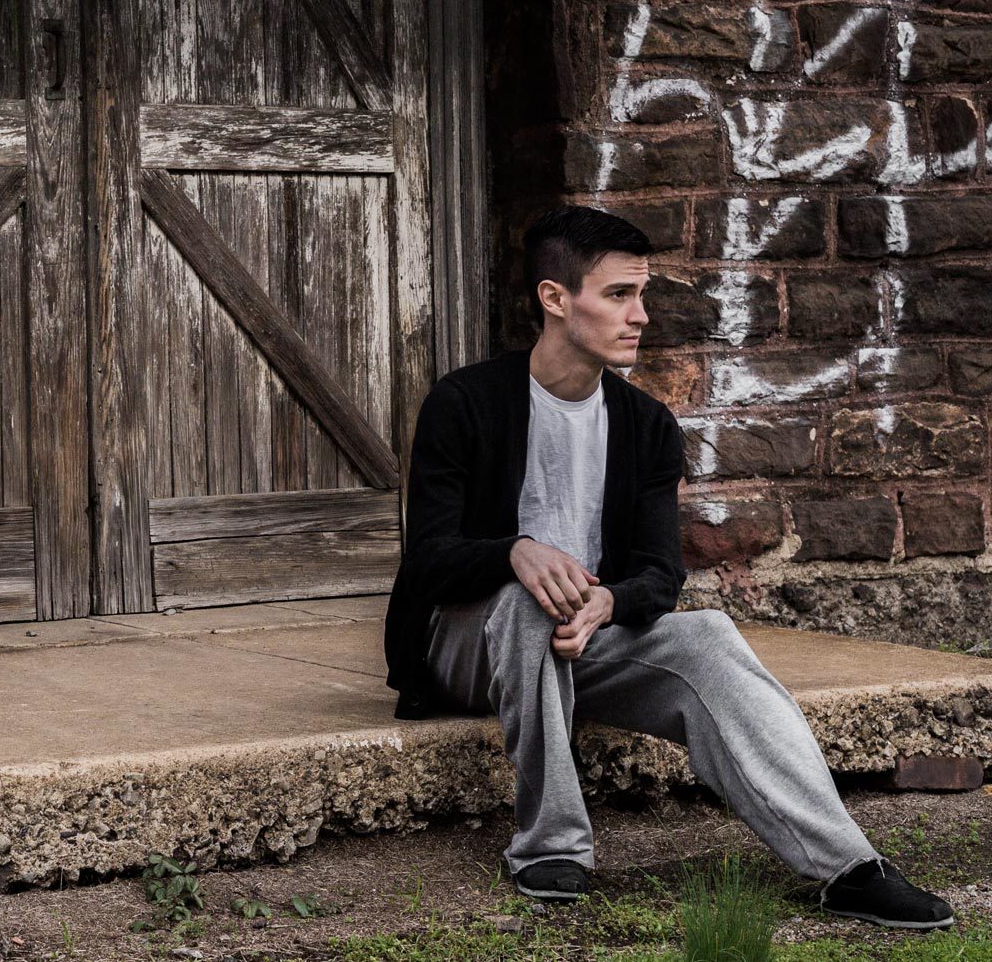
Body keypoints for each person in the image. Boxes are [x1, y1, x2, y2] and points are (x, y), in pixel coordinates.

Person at [382, 207, 955, 930]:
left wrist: (608, 604)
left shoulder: (647, 426)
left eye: (641, 294)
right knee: (531, 601)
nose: (640, 315)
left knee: (710, 634)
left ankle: (847, 865)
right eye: (619, 294)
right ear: (556, 299)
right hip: (469, 644)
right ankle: (551, 845)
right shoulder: (464, 403)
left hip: (583, 640)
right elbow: (429, 558)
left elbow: (659, 574)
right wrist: (513, 551)